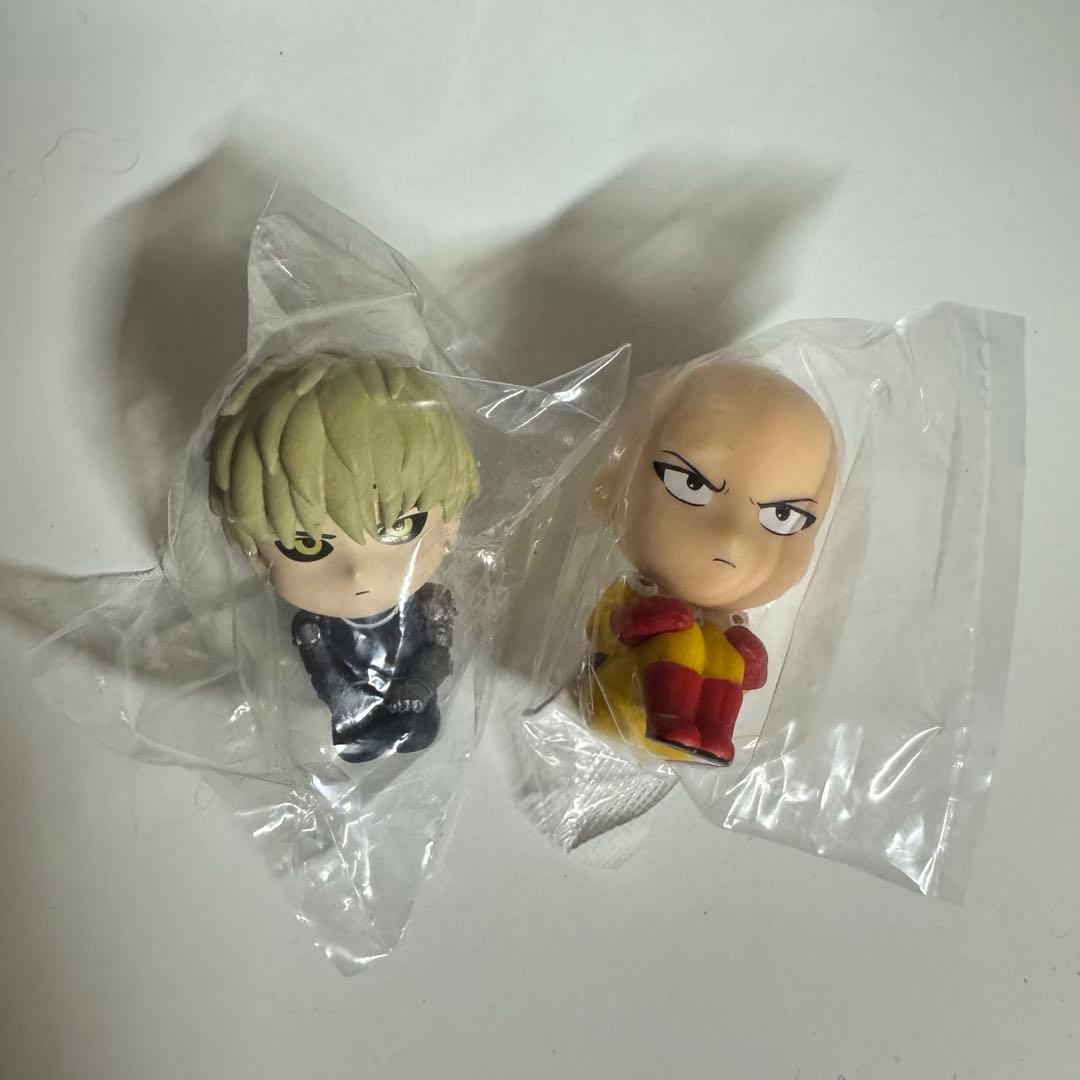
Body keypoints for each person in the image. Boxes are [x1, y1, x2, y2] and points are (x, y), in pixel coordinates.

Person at [207, 349, 479, 761]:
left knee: (417, 730)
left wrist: (420, 686)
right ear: (255, 554)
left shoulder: (428, 603)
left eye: (399, 528)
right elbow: (324, 673)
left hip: (414, 704)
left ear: (451, 523)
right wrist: (345, 700)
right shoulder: (312, 626)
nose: (356, 573)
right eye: (307, 545)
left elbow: (439, 655)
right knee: (358, 743)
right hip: (352, 715)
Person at [585, 357, 836, 764]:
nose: (732, 538)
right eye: (691, 484)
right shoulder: (634, 590)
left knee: (724, 658)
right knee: (681, 640)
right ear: (609, 487)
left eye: (782, 516)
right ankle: (668, 720)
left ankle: (713, 733)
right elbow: (608, 626)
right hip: (617, 702)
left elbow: (751, 677)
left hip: (672, 740)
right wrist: (649, 619)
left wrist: (748, 658)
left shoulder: (726, 622)